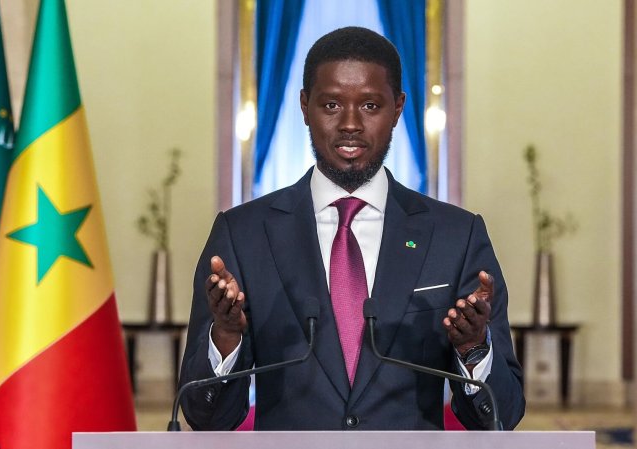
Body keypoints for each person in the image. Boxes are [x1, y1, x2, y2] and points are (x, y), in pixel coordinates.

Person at [179, 26, 525, 431]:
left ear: (398, 108)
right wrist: (225, 337)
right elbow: (205, 418)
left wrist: (472, 349)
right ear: (304, 106)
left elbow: (503, 416)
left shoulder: (456, 236)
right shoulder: (243, 234)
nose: (349, 124)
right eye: (330, 104)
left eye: (370, 106)